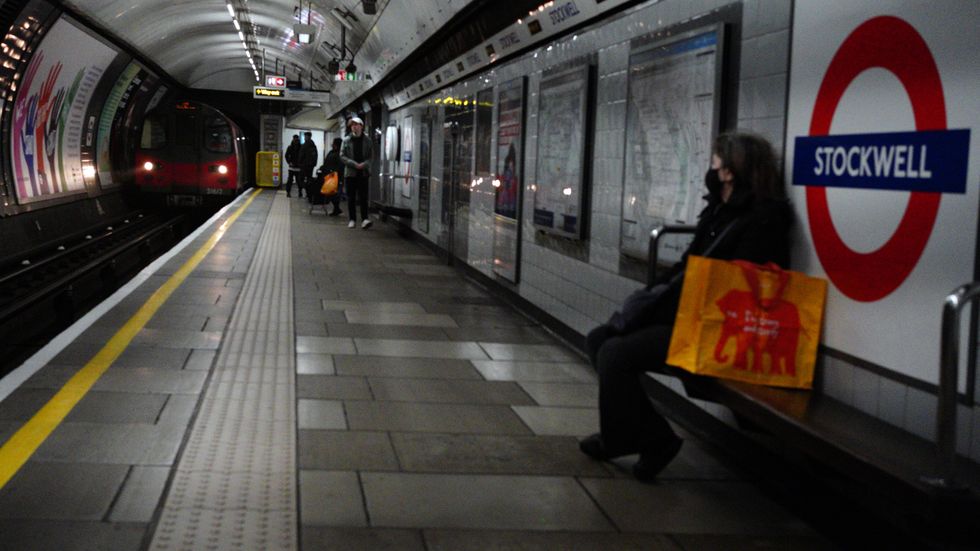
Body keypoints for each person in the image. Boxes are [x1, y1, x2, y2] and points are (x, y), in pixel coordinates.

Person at [579, 132, 793, 482]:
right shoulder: (719, 212)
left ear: (730, 171)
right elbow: (689, 267)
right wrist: (650, 299)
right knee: (600, 338)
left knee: (615, 354)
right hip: (692, 318)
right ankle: (644, 436)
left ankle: (648, 441)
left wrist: (664, 306)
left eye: (715, 162)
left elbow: (740, 285)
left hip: (723, 330)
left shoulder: (763, 218)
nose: (711, 168)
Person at [340, 116, 373, 229]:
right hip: (350, 174)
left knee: (364, 197)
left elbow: (371, 156)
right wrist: (354, 164)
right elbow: (342, 156)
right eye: (352, 125)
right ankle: (352, 219)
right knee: (351, 197)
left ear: (361, 126)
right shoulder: (346, 140)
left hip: (363, 173)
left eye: (356, 124)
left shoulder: (368, 140)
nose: (354, 126)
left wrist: (365, 164)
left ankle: (365, 219)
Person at [314, 137, 345, 216]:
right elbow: (327, 163)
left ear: (337, 145)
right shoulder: (332, 152)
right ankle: (336, 209)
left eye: (334, 143)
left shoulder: (339, 154)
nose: (332, 144)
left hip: (334, 177)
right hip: (329, 176)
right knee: (331, 193)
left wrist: (333, 172)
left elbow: (340, 166)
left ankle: (336, 209)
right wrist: (322, 168)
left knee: (332, 193)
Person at [297, 131, 319, 199]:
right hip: (310, 166)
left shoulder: (305, 145)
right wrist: (314, 164)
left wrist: (299, 163)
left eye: (306, 136)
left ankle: (301, 191)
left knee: (301, 179)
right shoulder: (313, 145)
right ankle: (308, 193)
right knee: (309, 179)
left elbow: (301, 155)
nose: (305, 138)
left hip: (304, 166)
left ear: (308, 137)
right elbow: (315, 155)